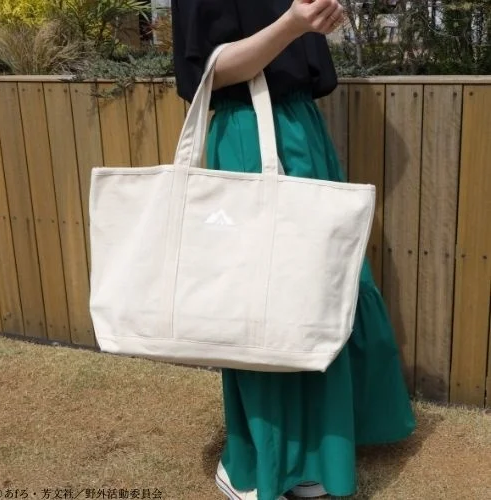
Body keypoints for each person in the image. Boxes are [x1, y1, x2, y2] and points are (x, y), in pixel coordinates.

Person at [170, 1, 417, 499]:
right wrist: (292, 24)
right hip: (249, 131)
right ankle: (255, 464)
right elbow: (209, 71)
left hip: (302, 128)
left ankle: (312, 457)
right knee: (266, 307)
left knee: (321, 295)